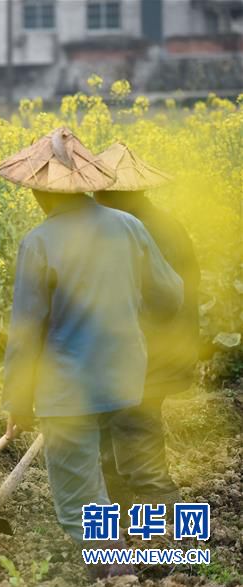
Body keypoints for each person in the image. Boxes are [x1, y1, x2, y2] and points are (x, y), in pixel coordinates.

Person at [0, 128, 184, 578]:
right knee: (122, 469)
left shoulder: (39, 243)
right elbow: (170, 296)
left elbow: (26, 334)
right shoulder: (129, 226)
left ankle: (119, 577)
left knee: (81, 496)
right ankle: (169, 553)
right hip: (127, 376)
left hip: (69, 390)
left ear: (39, 193)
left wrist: (18, 402)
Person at [94, 142, 201, 515]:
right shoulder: (152, 223)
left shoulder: (139, 230)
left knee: (138, 445)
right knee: (109, 439)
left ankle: (169, 534)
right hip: (142, 354)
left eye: (98, 191)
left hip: (148, 357)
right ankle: (118, 524)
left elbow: (154, 304)